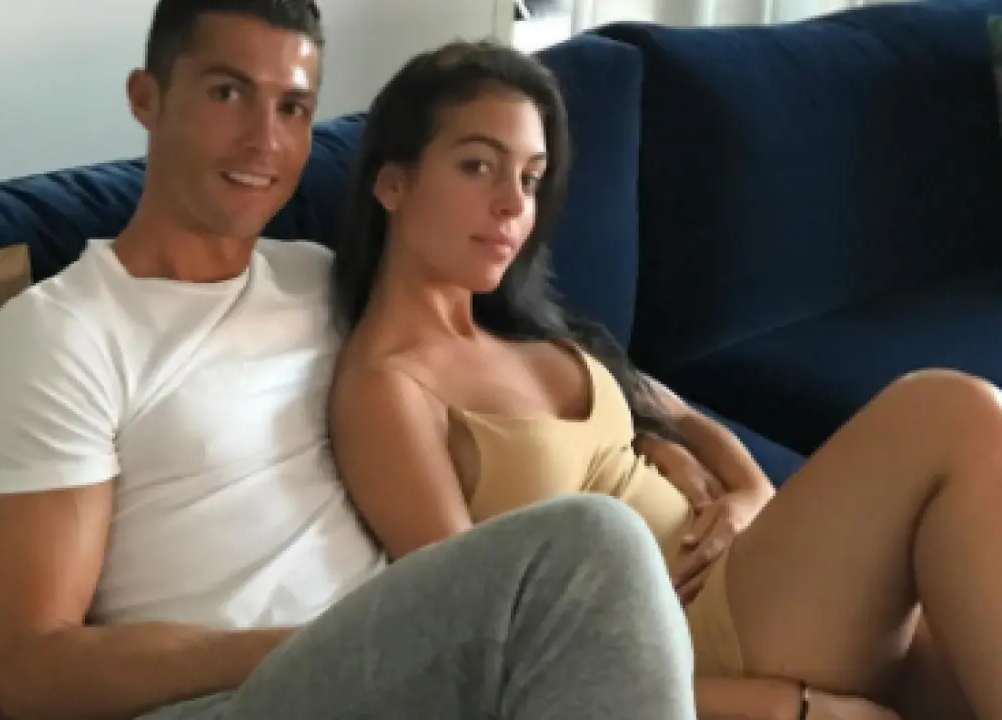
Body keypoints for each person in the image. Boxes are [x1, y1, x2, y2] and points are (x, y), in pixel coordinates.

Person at [0, 2, 700, 719]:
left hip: (403, 665)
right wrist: (324, 643)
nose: (264, 141)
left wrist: (669, 444)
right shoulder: (62, 335)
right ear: (146, 97)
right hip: (229, 698)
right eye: (228, 94)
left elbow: (513, 368)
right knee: (594, 542)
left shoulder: (321, 280)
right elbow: (27, 672)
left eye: (293, 108)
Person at [327, 37, 1002, 720]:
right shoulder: (389, 388)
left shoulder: (532, 333)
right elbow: (471, 645)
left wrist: (747, 493)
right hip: (688, 651)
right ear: (392, 183)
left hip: (765, 582)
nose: (512, 205)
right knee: (949, 412)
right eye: (478, 166)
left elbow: (681, 415)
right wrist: (784, 708)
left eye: (531, 179)